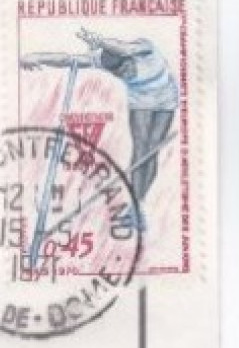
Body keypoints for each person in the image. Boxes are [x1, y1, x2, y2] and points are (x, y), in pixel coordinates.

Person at [20, 27, 179, 226]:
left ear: (129, 60)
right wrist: (35, 57)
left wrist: (100, 40)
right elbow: (67, 59)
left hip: (165, 99)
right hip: (140, 101)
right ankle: (136, 207)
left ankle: (140, 201)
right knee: (140, 148)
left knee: (151, 151)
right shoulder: (103, 60)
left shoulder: (142, 49)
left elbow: (122, 47)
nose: (125, 76)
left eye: (126, 70)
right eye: (120, 74)